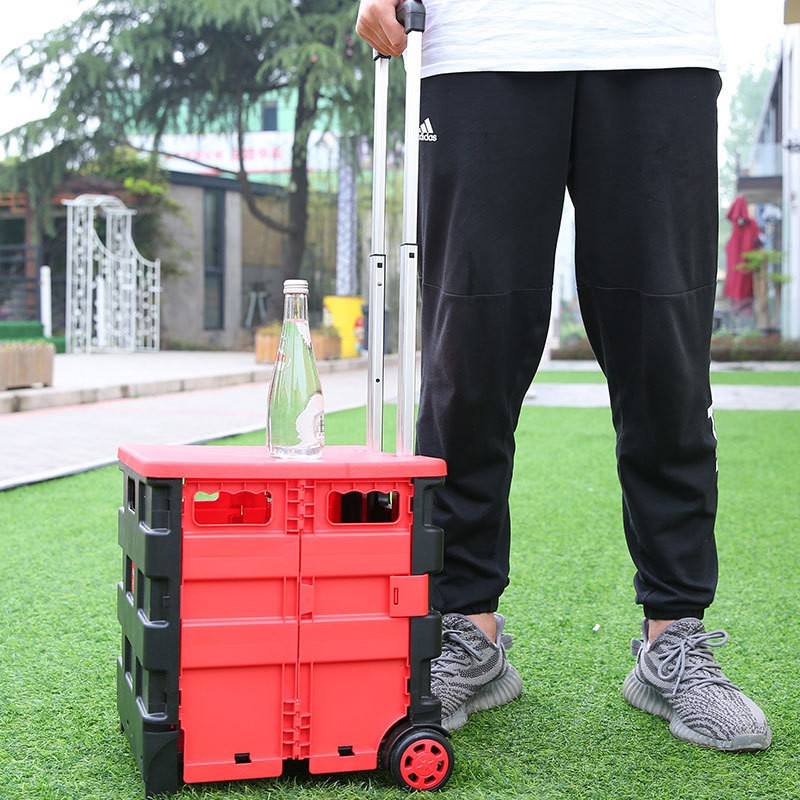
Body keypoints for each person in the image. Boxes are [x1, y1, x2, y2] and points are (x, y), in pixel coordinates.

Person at [355, 0, 772, 751]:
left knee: (665, 355)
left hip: (658, 43)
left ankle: (674, 636)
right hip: (480, 44)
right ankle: (467, 629)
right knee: (467, 356)